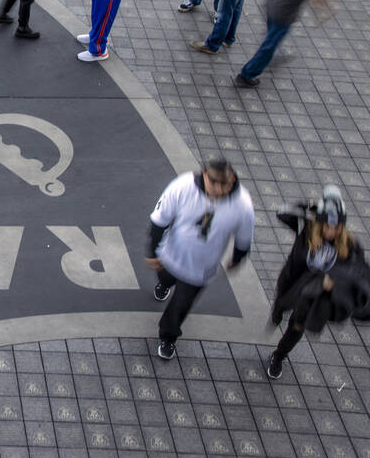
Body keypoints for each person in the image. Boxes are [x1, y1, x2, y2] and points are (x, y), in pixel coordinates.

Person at [145, 156, 255, 360]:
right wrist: (152, 251)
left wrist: (237, 258)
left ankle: (168, 337)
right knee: (165, 279)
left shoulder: (243, 205)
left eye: (225, 184)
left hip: (201, 268)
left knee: (181, 305)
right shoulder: (183, 186)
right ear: (204, 174)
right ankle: (164, 284)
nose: (219, 190)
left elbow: (244, 237)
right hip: (171, 254)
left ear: (232, 181)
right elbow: (160, 219)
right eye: (214, 182)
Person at [266, 187, 370, 378]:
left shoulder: (350, 246)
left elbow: (357, 276)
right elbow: (281, 212)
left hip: (313, 293)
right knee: (280, 306)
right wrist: (310, 206)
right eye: (327, 225)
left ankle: (279, 356)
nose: (331, 231)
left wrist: (335, 286)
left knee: (297, 326)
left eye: (337, 226)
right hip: (292, 282)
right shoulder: (305, 226)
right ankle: (277, 312)